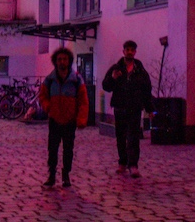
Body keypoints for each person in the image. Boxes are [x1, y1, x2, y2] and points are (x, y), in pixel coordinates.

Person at [38, 47, 89, 188]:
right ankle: (52, 175)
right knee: (52, 149)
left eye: (65, 59)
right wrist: (48, 107)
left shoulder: (76, 80)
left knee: (68, 149)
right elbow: (42, 96)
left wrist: (81, 119)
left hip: (70, 120)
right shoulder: (50, 79)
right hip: (55, 120)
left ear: (69, 61)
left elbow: (83, 101)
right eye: (59, 59)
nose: (62, 62)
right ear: (55, 61)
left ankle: (66, 175)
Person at [101, 39, 153, 178]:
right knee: (121, 137)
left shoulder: (140, 71)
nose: (130, 52)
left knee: (134, 137)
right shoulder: (116, 68)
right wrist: (113, 78)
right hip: (120, 107)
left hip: (135, 108)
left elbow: (146, 90)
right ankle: (122, 162)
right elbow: (106, 86)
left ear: (135, 52)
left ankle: (133, 165)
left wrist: (149, 109)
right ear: (123, 51)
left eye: (132, 50)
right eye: (127, 49)